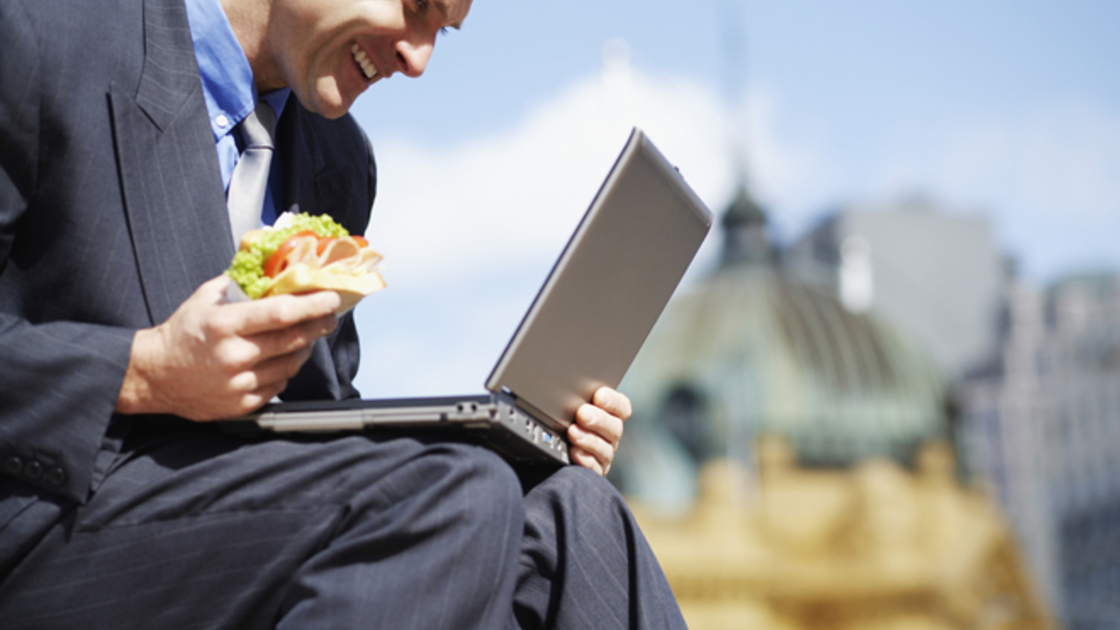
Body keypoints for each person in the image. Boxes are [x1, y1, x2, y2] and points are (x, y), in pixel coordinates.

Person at [0, 0, 687, 628]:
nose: (419, 60)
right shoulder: (37, 33)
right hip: (45, 527)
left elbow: (324, 425)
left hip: (230, 528)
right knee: (446, 495)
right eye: (417, 8)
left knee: (581, 517)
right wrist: (145, 372)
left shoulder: (339, 160)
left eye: (442, 31)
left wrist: (522, 444)